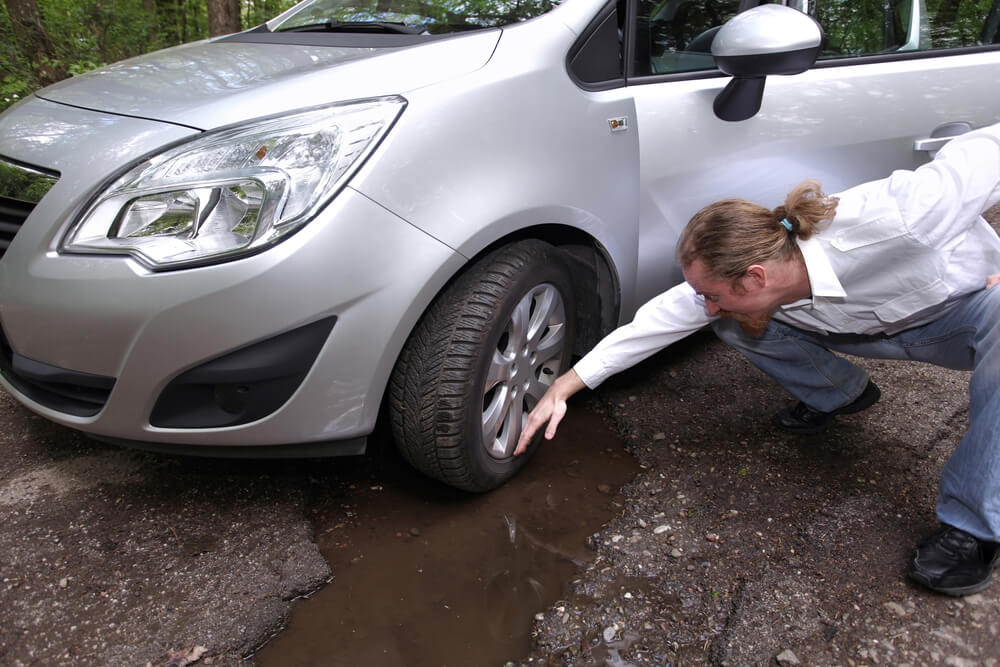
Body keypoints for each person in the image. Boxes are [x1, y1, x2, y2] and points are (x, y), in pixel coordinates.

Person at [515, 121, 1000, 597]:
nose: (703, 302)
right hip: (861, 330)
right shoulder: (750, 281)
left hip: (961, 318)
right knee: (729, 320)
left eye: (711, 291)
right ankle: (839, 392)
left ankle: (974, 530)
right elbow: (654, 324)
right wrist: (565, 385)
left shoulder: (904, 216)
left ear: (755, 277)